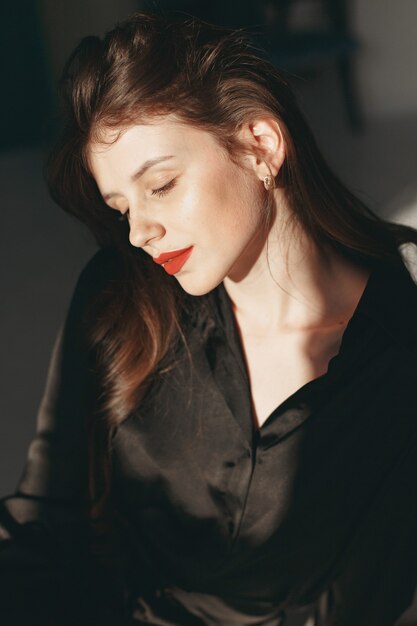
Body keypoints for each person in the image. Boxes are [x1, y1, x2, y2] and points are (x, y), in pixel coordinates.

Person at [1, 11, 417, 626]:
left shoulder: (397, 348)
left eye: (161, 185)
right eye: (121, 208)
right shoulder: (119, 298)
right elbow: (45, 526)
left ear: (259, 145)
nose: (140, 232)